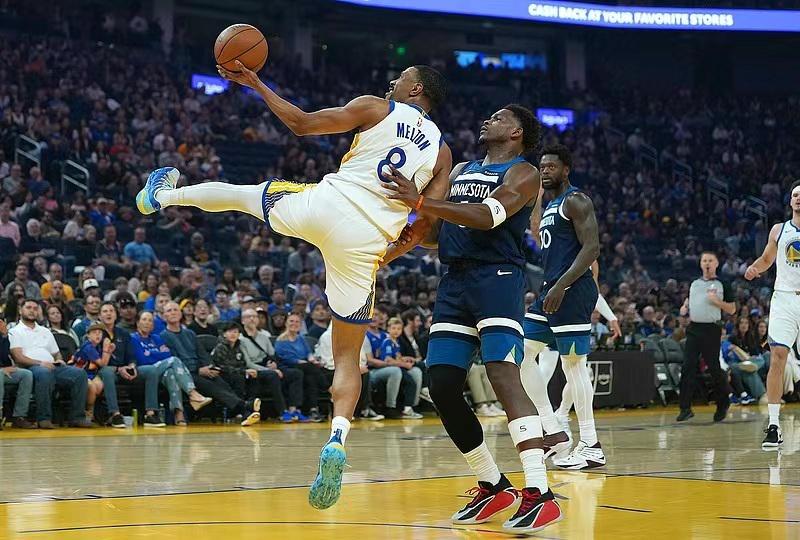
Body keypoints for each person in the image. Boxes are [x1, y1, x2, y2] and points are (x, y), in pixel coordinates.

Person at [137, 62, 449, 510]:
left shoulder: (376, 107)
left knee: (242, 196)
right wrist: (387, 255)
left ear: (415, 88)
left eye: (400, 77)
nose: (392, 81)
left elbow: (302, 124)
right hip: (367, 241)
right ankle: (337, 438)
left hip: (327, 204)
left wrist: (256, 83)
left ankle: (160, 196)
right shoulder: (442, 152)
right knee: (348, 355)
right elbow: (426, 226)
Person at [382, 106, 561, 531]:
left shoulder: (524, 173)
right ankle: (492, 483)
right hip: (455, 281)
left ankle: (540, 492)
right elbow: (437, 232)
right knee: (442, 383)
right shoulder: (462, 169)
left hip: (497, 279)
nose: (487, 120)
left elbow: (486, 217)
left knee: (502, 374)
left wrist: (422, 201)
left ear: (516, 132)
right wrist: (400, 236)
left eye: (498, 118)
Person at [507, 145, 606, 472]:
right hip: (551, 290)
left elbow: (592, 248)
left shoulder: (577, 200)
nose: (545, 171)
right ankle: (553, 430)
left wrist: (562, 285)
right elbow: (537, 233)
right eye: (542, 167)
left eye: (551, 166)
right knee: (520, 353)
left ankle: (591, 445)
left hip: (572, 290)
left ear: (566, 169)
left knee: (573, 366)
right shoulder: (552, 205)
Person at [745, 179, 800, 449]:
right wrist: (755, 268)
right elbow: (767, 259)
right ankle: (774, 426)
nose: (799, 198)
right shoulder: (779, 230)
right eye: (795, 194)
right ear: (790, 201)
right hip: (784, 299)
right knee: (778, 356)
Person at [160, 302, 260, 423]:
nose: (173, 313)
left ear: (180, 313)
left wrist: (209, 367)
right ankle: (245, 407)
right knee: (210, 385)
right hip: (184, 374)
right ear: (164, 316)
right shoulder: (163, 336)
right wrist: (199, 370)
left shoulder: (190, 333)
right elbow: (175, 361)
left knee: (220, 381)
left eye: (175, 310)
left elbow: (202, 353)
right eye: (169, 310)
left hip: (201, 369)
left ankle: (244, 412)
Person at [9, 299, 91, 428]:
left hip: (52, 366)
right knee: (44, 373)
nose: (32, 311)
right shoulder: (15, 331)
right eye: (28, 307)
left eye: (35, 308)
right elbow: (18, 358)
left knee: (79, 374)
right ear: (20, 310)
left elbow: (56, 353)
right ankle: (44, 418)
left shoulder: (45, 331)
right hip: (31, 368)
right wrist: (41, 363)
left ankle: (77, 417)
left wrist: (60, 360)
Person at [677, 252, 736, 423]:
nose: (707, 263)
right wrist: (684, 308)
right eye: (704, 260)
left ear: (716, 263)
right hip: (694, 328)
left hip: (711, 329)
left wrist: (717, 302)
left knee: (714, 367)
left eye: (710, 260)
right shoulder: (694, 283)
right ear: (700, 264)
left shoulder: (723, 284)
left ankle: (723, 403)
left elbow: (732, 309)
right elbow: (689, 302)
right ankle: (685, 408)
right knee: (687, 366)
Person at [239, 308, 305, 422]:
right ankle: (282, 412)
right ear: (242, 320)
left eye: (255, 316)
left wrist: (273, 363)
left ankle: (294, 409)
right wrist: (270, 370)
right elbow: (248, 363)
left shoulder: (263, 336)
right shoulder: (240, 339)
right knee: (273, 375)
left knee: (296, 374)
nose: (252, 319)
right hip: (253, 369)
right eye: (248, 317)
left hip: (267, 365)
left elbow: (272, 354)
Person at [71, 321, 125, 427]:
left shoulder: (97, 346)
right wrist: (106, 350)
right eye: (94, 332)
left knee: (100, 386)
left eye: (100, 333)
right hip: (79, 373)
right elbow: (102, 364)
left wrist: (108, 351)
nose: (98, 335)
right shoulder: (88, 347)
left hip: (91, 373)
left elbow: (103, 364)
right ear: (88, 335)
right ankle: (88, 412)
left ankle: (95, 413)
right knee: (92, 387)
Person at [275, 313, 326, 423]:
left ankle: (312, 410)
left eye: (297, 321)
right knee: (307, 369)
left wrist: (312, 359)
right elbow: (283, 358)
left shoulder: (301, 339)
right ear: (286, 323)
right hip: (287, 367)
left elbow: (308, 353)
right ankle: (328, 387)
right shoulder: (280, 340)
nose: (294, 324)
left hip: (304, 366)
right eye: (291, 321)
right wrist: (298, 361)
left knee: (310, 376)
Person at [209, 321, 262, 426]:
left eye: (235, 332)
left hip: (236, 373)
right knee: (239, 378)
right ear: (224, 334)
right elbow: (222, 367)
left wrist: (247, 371)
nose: (233, 334)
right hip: (221, 375)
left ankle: (252, 407)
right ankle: (242, 411)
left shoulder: (238, 347)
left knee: (254, 377)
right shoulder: (220, 347)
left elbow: (241, 363)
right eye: (230, 332)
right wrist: (243, 371)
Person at [377, 317, 423, 419]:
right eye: (393, 328)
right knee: (410, 382)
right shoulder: (387, 342)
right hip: (389, 368)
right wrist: (404, 364)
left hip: (397, 367)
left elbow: (397, 357)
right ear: (388, 329)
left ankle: (410, 407)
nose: (396, 331)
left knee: (414, 374)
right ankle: (406, 409)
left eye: (398, 329)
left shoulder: (396, 342)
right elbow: (388, 360)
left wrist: (407, 359)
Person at [0, 317, 36, 429]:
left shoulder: (3, 336)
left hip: (4, 370)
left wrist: (4, 336)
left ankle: (19, 416)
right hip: (1, 372)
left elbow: (4, 355)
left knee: (26, 374)